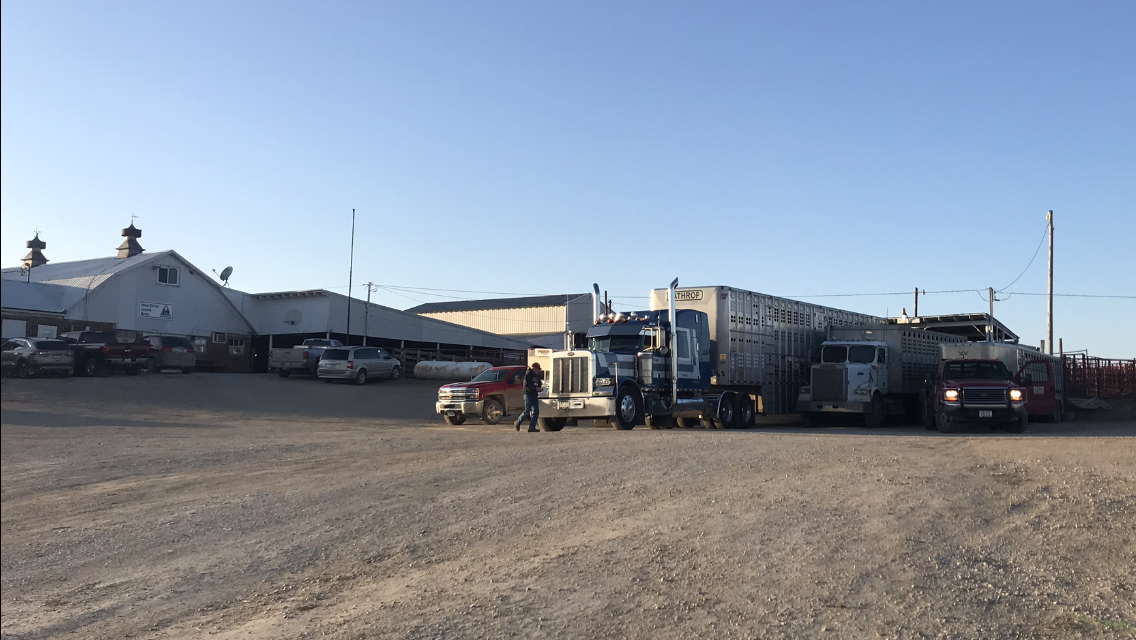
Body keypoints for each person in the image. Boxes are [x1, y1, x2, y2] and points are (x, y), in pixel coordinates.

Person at [514, 362, 543, 432]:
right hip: (528, 395)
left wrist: (539, 388)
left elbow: (539, 383)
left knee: (536, 412)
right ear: (533, 368)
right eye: (537, 369)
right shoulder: (528, 375)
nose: (538, 371)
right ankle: (518, 422)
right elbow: (526, 386)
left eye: (539, 370)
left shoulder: (537, 376)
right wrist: (535, 388)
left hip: (535, 395)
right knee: (527, 411)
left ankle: (532, 427)